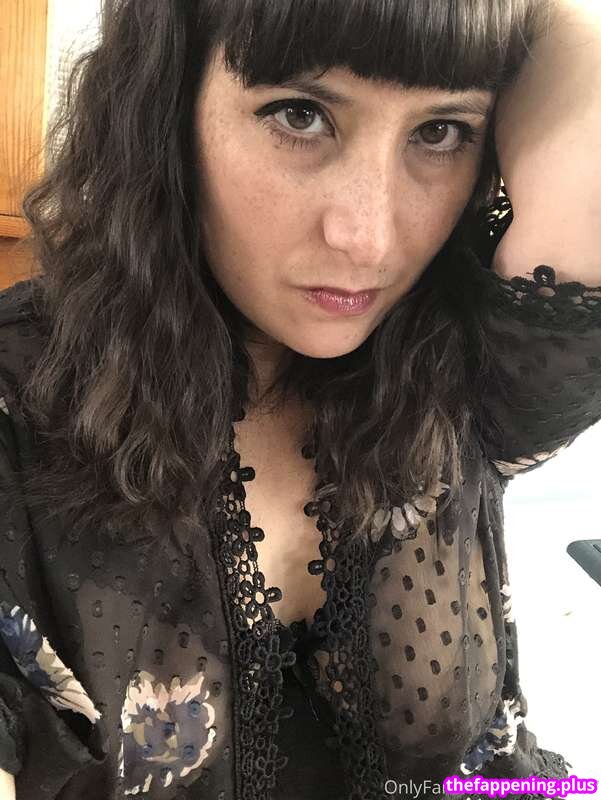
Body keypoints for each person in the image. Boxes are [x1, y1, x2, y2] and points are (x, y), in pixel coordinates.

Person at [0, 1, 597, 798]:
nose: (368, 238)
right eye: (299, 114)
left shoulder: (465, 362)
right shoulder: (18, 405)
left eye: (439, 131)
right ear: (165, 107)